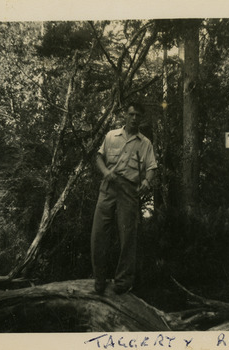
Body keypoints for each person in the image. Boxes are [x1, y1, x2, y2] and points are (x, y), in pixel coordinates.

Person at [90, 102, 157, 295]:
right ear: (125, 116)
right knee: (98, 234)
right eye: (131, 114)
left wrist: (146, 182)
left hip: (129, 190)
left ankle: (122, 282)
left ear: (141, 118)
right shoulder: (111, 136)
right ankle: (99, 280)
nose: (134, 118)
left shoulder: (145, 143)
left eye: (138, 115)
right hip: (108, 186)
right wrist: (105, 173)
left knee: (128, 237)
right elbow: (98, 157)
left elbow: (152, 167)